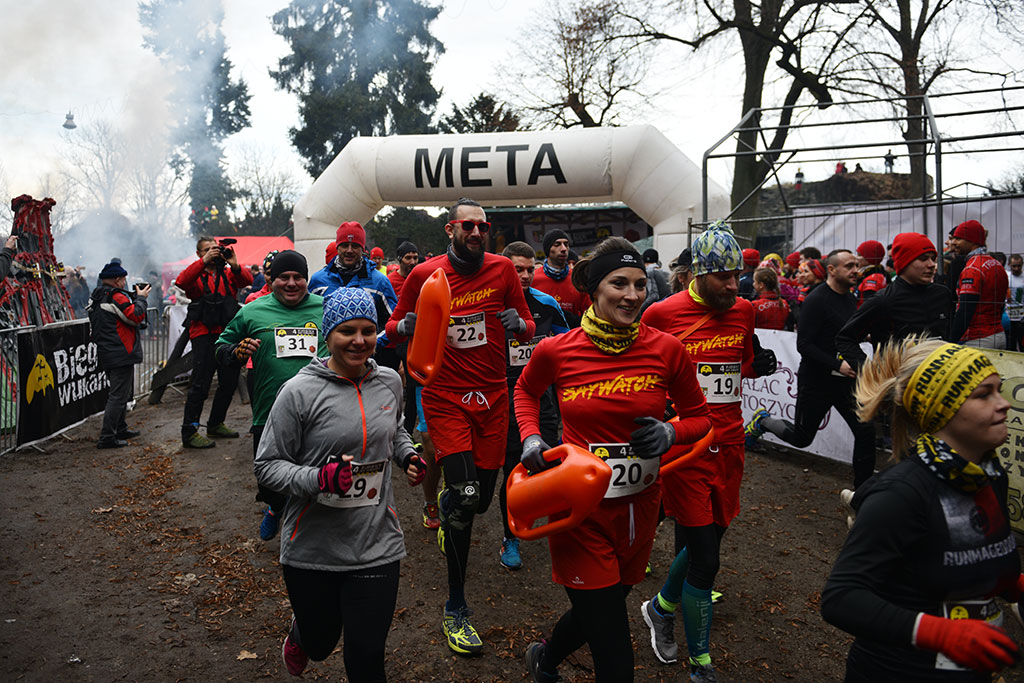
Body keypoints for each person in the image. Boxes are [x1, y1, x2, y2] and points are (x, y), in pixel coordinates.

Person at [515, 236, 712, 683]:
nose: (633, 295)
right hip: (580, 512)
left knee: (599, 608)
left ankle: (545, 659)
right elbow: (525, 390)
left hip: (641, 509)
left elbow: (700, 418)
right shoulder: (557, 349)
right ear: (595, 290)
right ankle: (550, 660)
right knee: (616, 655)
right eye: (619, 283)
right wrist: (530, 438)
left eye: (640, 284)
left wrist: (670, 432)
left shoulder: (667, 349)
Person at [385, 197, 536, 655]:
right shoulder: (423, 275)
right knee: (468, 501)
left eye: (482, 226)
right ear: (450, 229)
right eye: (467, 225)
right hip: (446, 399)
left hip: (493, 399)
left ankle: (453, 503)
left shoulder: (504, 271)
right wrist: (404, 327)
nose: (476, 232)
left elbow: (527, 324)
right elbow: (390, 327)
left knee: (483, 500)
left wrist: (521, 325)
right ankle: (456, 608)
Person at [821, 337, 1021, 681]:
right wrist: (940, 633)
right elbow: (840, 598)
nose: (1003, 405)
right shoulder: (901, 494)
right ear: (941, 409)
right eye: (983, 395)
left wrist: (1015, 585)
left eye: (999, 391)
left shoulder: (989, 475)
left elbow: (971, 562)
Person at [254, 287, 425, 680]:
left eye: (368, 330)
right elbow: (267, 466)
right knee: (320, 643)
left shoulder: (389, 382)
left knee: (366, 657)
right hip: (313, 546)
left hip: (376, 541)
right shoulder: (298, 392)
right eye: (348, 331)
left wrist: (407, 455)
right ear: (327, 334)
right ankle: (302, 634)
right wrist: (319, 479)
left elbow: (395, 429)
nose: (360, 341)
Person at [639, 220, 778, 682]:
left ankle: (660, 608)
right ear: (697, 273)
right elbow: (643, 370)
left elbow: (739, 368)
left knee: (712, 538)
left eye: (736, 275)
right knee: (708, 558)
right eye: (722, 276)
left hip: (731, 441)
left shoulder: (743, 311)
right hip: (686, 444)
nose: (732, 285)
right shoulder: (661, 314)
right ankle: (701, 663)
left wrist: (758, 366)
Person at [216, 250, 325, 542]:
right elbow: (221, 345)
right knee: (268, 481)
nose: (291, 283)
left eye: (298, 277)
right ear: (270, 279)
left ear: (307, 279)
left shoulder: (324, 307)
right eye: (283, 277)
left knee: (314, 475)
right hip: (269, 409)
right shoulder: (252, 310)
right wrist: (234, 352)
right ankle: (275, 508)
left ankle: (305, 534)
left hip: (319, 410)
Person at [746, 250, 877, 487]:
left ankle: (864, 493)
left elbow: (844, 335)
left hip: (846, 381)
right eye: (849, 266)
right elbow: (804, 345)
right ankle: (763, 421)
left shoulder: (849, 298)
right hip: (816, 382)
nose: (855, 271)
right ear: (831, 270)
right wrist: (837, 364)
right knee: (802, 438)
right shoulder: (816, 300)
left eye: (856, 265)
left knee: (866, 432)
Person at [497, 241, 568, 571]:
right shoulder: (490, 305)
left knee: (550, 466)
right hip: (503, 399)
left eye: (529, 269)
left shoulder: (547, 304)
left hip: (543, 400)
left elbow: (568, 348)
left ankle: (558, 531)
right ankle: (510, 535)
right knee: (513, 470)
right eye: (517, 269)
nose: (524, 276)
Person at [836, 232, 953, 372]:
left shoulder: (942, 294)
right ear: (905, 262)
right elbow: (845, 338)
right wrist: (871, 373)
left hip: (939, 379)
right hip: (899, 385)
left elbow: (950, 334)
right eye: (923, 259)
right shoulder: (884, 300)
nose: (931, 265)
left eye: (933, 259)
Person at [387, 239, 442, 531]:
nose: (412, 260)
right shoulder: (408, 280)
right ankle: (431, 500)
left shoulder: (473, 281)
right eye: (407, 256)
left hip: (465, 376)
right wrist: (398, 335)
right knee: (430, 445)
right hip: (422, 367)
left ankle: (456, 494)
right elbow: (393, 323)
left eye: (414, 255)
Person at [177, 236, 253, 448]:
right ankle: (190, 432)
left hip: (227, 334)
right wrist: (203, 263)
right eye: (207, 250)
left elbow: (246, 280)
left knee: (228, 382)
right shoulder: (196, 275)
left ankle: (216, 423)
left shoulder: (227, 274)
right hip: (204, 334)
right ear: (199, 254)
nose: (213, 252)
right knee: (200, 385)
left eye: (215, 248)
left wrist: (235, 263)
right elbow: (182, 282)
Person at [310, 222, 398, 369]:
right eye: (344, 245)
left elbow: (393, 320)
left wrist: (371, 342)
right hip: (327, 363)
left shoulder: (379, 282)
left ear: (363, 249)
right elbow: (307, 317)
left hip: (365, 361)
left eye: (355, 246)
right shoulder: (318, 280)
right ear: (337, 247)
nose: (349, 251)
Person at [87, 260, 150, 449]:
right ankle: (107, 436)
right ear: (116, 280)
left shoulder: (97, 296)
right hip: (120, 350)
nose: (125, 282)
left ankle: (120, 428)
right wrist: (141, 298)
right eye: (123, 279)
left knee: (122, 394)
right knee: (118, 396)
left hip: (108, 350)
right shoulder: (116, 297)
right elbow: (136, 316)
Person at [947, 220, 1008, 349]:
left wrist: (950, 342)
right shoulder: (996, 263)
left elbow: (965, 310)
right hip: (999, 333)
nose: (953, 243)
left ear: (972, 240)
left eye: (958, 239)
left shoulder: (972, 269)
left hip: (979, 339)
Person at [532, 228, 590, 327]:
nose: (563, 249)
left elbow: (589, 316)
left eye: (566, 244)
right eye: (557, 244)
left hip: (571, 338)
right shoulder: (533, 278)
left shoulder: (578, 278)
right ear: (548, 249)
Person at [855, 240, 888, 307]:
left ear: (869, 258)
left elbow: (869, 306)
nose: (856, 258)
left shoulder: (873, 278)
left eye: (859, 255)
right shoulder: (868, 274)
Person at [641, 248, 671, 312]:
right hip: (666, 309)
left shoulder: (649, 272)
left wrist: (640, 309)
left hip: (653, 311)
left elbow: (653, 295)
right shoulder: (666, 273)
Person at [1006, 254, 1024, 351]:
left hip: (1022, 319)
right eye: (1014, 266)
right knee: (1010, 347)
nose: (1017, 268)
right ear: (1009, 265)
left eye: (1019, 266)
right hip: (1008, 318)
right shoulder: (1006, 276)